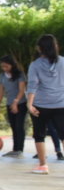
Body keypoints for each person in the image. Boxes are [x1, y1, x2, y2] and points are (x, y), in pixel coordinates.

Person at [27, 34, 64, 175]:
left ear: (39, 48)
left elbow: (33, 85)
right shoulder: (63, 62)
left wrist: (29, 104)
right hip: (61, 104)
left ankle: (43, 166)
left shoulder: (35, 65)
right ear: (55, 46)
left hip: (40, 105)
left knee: (39, 135)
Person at [0, 55, 27, 158]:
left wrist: (16, 102)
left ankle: (20, 150)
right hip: (9, 103)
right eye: (2, 66)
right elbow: (1, 91)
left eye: (6, 66)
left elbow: (22, 90)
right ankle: (15, 149)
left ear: (12, 65)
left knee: (19, 126)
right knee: (13, 127)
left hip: (20, 104)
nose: (4, 68)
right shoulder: (2, 75)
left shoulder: (20, 74)